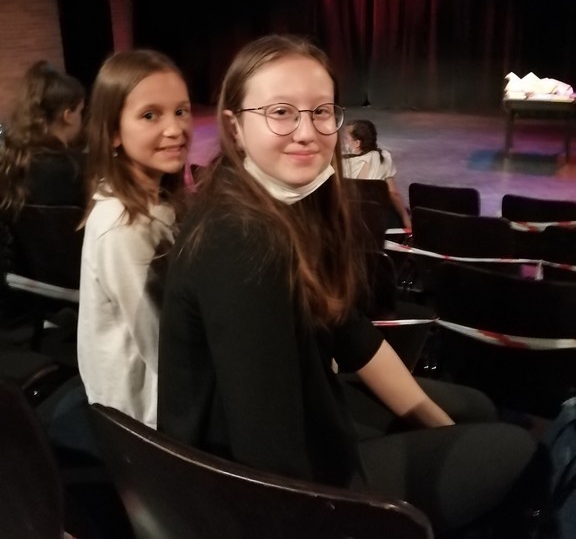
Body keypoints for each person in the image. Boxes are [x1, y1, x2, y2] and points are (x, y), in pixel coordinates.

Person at [157, 34, 537, 537]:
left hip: (307, 408)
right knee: (518, 450)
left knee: (474, 411)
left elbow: (346, 327)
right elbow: (267, 445)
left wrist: (437, 423)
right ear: (234, 126)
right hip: (247, 483)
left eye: (321, 112)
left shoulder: (295, 202)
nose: (307, 133)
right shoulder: (242, 241)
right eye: (280, 112)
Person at [78, 49, 192, 429]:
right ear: (113, 132)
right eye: (150, 116)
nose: (175, 129)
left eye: (181, 110)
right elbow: (163, 344)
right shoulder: (123, 227)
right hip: (144, 418)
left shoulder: (157, 201)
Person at [0, 60, 86, 212]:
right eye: (80, 111)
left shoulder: (11, 161)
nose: (82, 118)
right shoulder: (78, 170)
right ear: (68, 116)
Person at [343, 119, 411, 231]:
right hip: (375, 219)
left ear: (357, 143)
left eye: (346, 138)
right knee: (404, 211)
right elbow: (394, 194)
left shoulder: (341, 162)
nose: (343, 141)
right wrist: (406, 220)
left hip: (349, 219)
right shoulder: (383, 157)